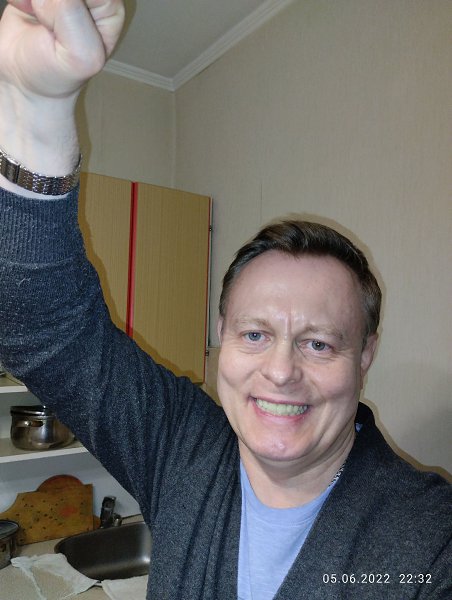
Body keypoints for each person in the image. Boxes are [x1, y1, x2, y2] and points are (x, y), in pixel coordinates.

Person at [0, 2, 450, 599]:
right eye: (255, 335)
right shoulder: (181, 447)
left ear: (365, 355)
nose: (281, 371)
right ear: (220, 337)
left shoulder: (428, 540)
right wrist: (35, 112)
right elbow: (42, 326)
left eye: (318, 344)